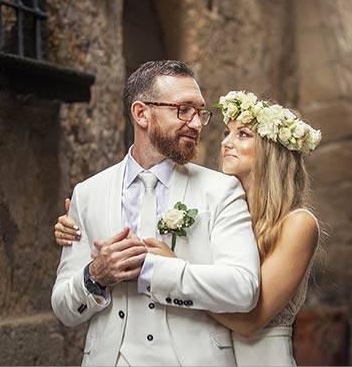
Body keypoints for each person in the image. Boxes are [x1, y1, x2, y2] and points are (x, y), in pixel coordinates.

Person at [55, 89, 323, 366]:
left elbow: (250, 321)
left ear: (272, 150)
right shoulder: (224, 207)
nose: (226, 143)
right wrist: (86, 222)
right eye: (226, 133)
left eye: (242, 134)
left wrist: (170, 270)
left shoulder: (298, 224)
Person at [50, 61, 260, 367]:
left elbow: (244, 288)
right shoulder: (87, 194)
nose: (197, 123)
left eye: (200, 112)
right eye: (184, 110)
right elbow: (63, 309)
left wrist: (156, 269)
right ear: (141, 114)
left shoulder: (221, 190)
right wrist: (95, 276)